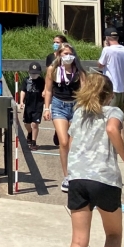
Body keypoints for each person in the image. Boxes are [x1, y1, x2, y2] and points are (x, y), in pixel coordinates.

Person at [65, 72, 124, 247]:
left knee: (78, 241)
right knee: (113, 234)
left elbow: (70, 144)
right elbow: (111, 129)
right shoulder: (113, 112)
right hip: (104, 179)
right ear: (109, 96)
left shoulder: (79, 113)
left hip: (77, 178)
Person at [43, 43, 84, 192]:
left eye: (70, 54)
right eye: (65, 54)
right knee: (64, 142)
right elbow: (48, 90)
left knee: (74, 144)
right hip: (59, 106)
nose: (68, 56)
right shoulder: (53, 70)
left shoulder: (79, 71)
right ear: (59, 55)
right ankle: (66, 176)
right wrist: (46, 108)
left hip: (75, 106)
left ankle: (75, 174)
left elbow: (85, 91)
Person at [98, 28, 124, 110]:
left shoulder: (107, 50)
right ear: (117, 38)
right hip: (121, 88)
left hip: (110, 88)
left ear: (107, 38)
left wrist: (105, 47)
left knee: (109, 113)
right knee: (119, 114)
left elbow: (100, 65)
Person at [17, 62, 46, 150]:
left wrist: (44, 94)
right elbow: (23, 91)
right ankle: (30, 133)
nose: (34, 75)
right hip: (28, 105)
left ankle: (33, 143)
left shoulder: (42, 81)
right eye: (32, 73)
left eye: (36, 73)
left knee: (35, 124)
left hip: (38, 105)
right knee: (27, 124)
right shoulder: (26, 80)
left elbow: (46, 90)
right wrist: (21, 102)